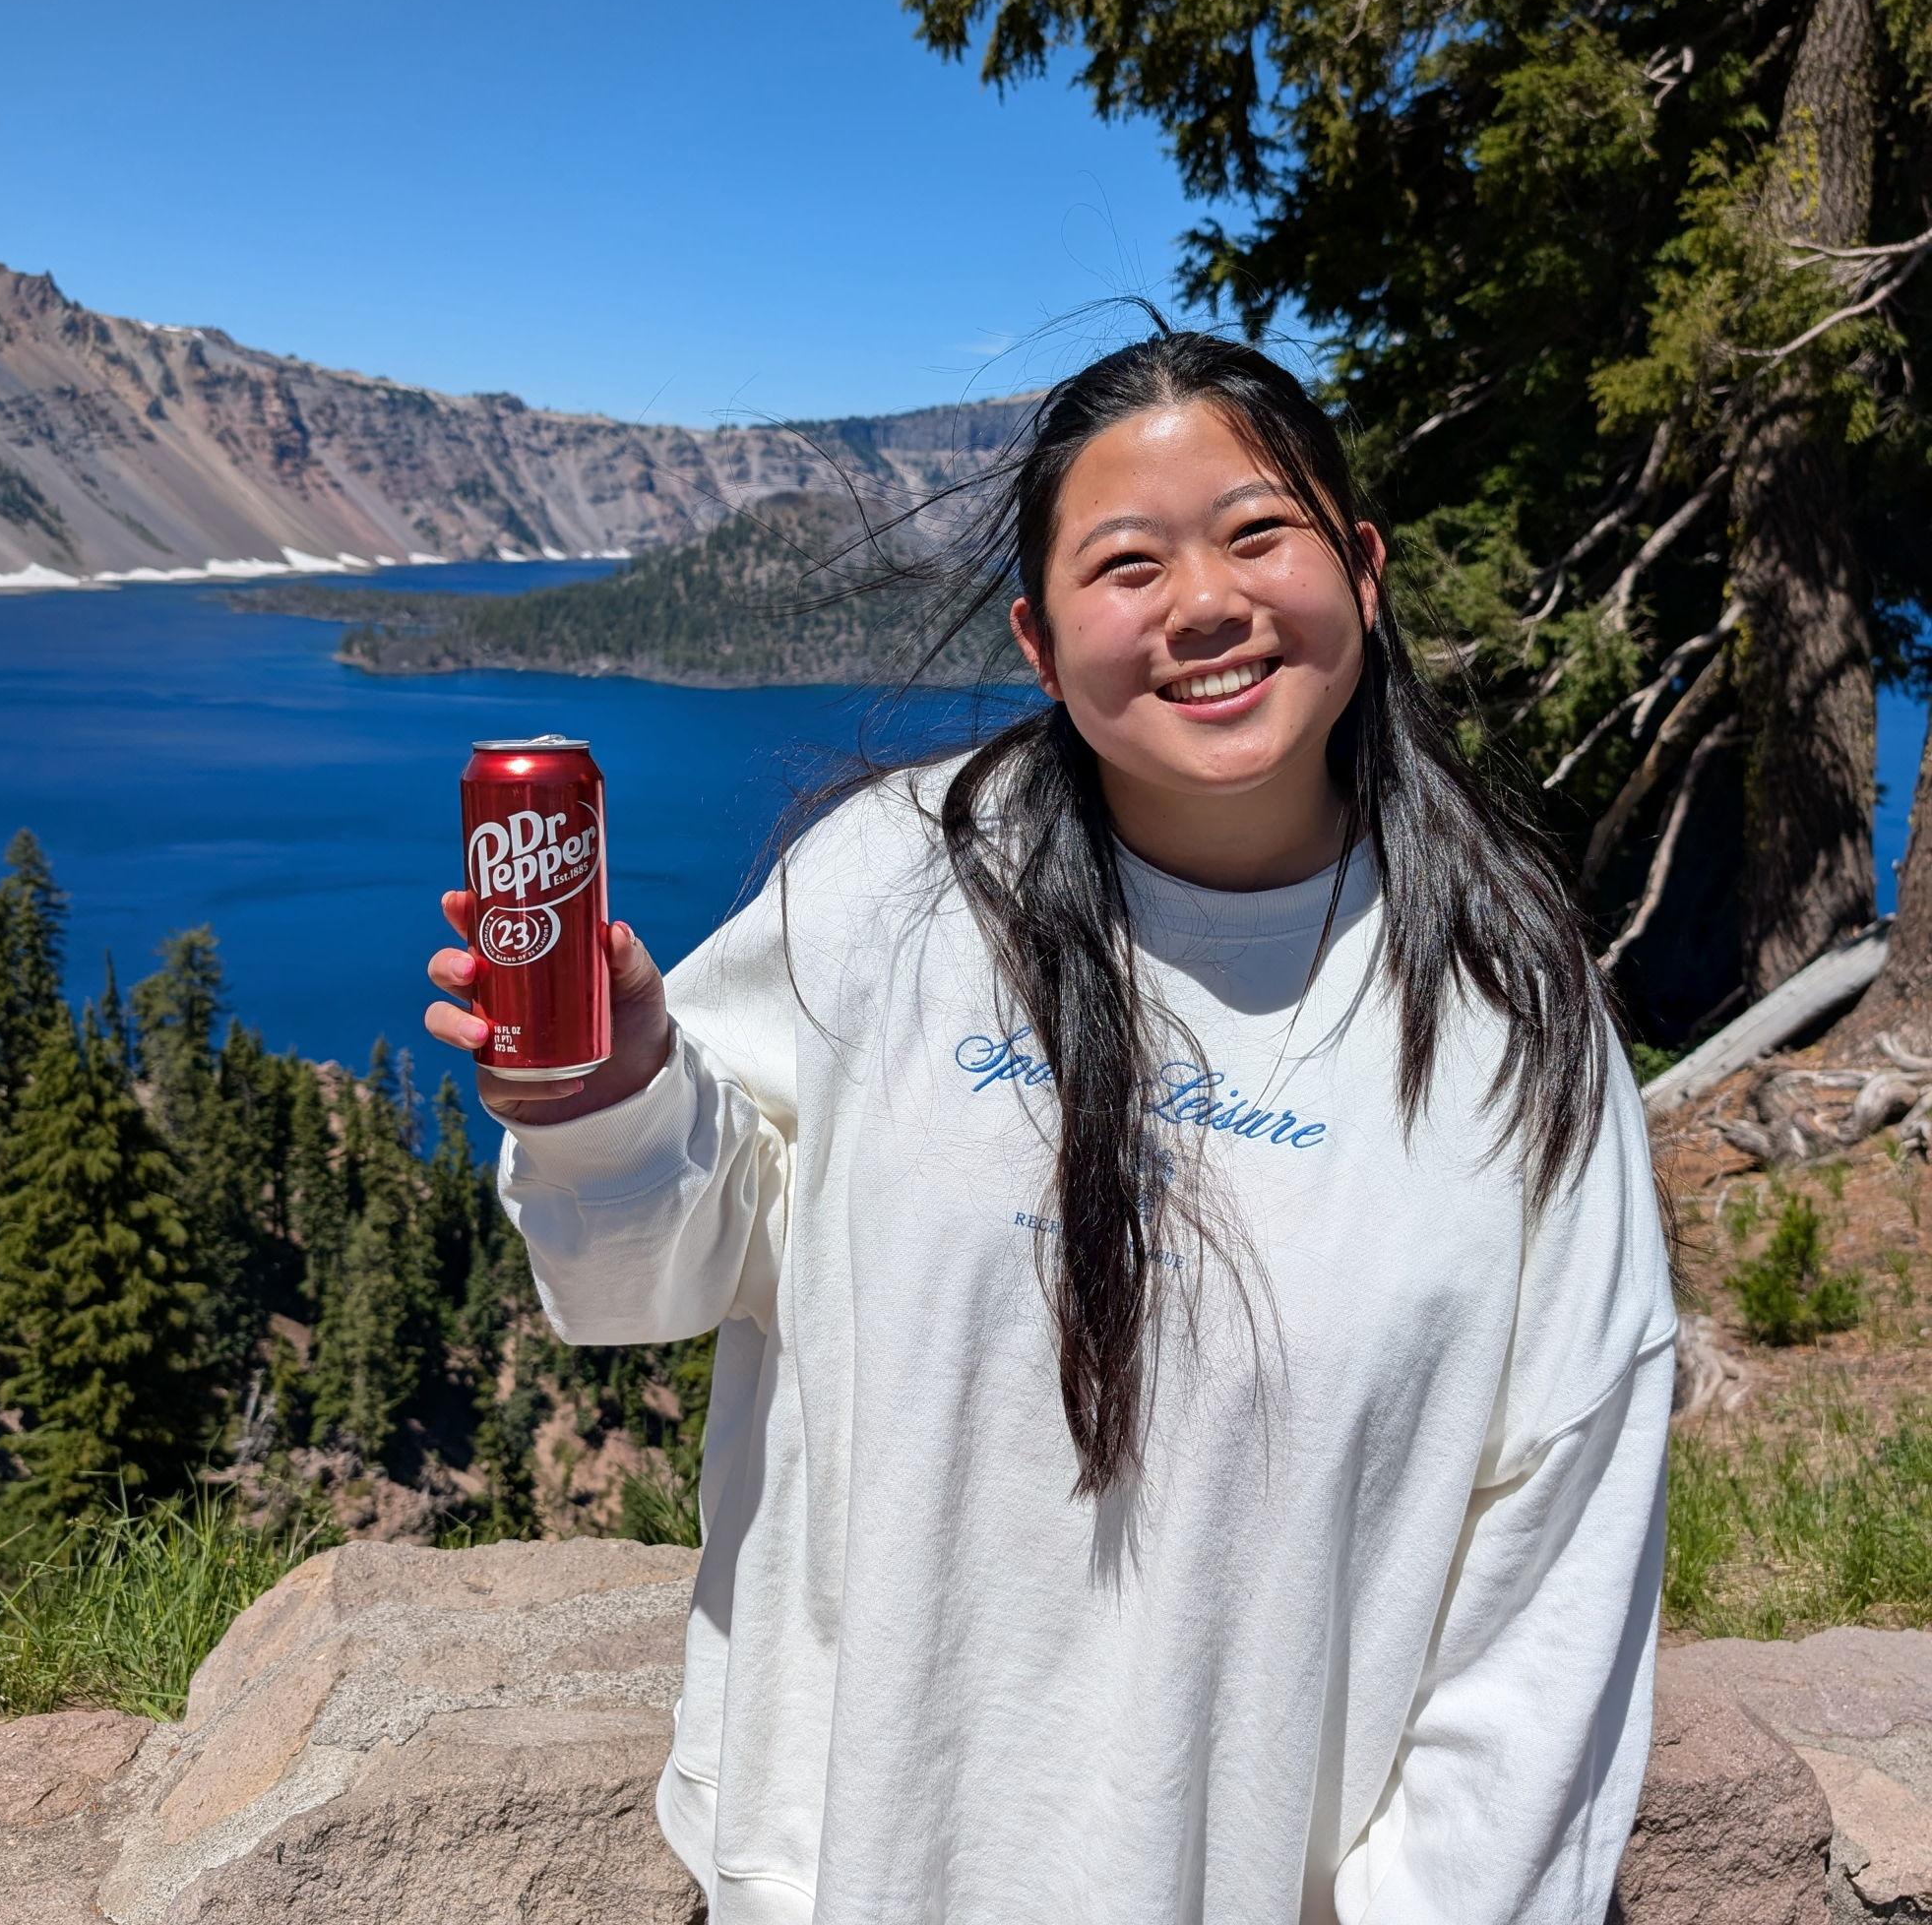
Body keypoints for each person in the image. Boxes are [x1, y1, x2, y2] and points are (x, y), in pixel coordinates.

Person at [423, 322, 1677, 1925]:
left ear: (1361, 572)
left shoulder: (1509, 1010)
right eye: (1127, 563)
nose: (1206, 603)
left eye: (1258, 534)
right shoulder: (893, 882)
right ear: (1039, 637)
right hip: (845, 1870)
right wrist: (612, 1106)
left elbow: (1551, 1572)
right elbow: (659, 1272)